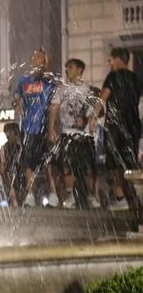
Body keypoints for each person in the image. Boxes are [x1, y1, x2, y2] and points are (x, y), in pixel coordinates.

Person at [48, 58, 101, 209]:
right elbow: (54, 108)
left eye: (70, 67)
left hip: (84, 135)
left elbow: (94, 112)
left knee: (87, 167)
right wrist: (51, 129)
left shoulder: (88, 90)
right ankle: (71, 196)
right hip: (67, 133)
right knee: (67, 167)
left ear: (79, 70)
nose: (67, 70)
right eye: (66, 68)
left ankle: (90, 195)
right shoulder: (62, 89)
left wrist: (85, 119)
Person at [15, 49, 59, 207]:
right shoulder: (24, 81)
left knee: (47, 163)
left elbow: (54, 105)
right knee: (29, 164)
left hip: (43, 128)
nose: (34, 58)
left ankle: (53, 194)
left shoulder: (49, 81)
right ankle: (30, 195)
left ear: (45, 61)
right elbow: (17, 98)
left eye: (38, 56)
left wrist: (51, 128)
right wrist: (17, 106)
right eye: (33, 56)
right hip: (27, 128)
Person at [101, 47, 141, 210]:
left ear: (118, 60)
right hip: (133, 126)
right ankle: (135, 197)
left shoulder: (113, 76)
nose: (109, 64)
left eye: (110, 60)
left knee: (115, 164)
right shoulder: (136, 78)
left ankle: (120, 198)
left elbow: (103, 97)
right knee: (130, 163)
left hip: (116, 126)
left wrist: (92, 115)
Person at [0, 122, 26, 207]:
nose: (7, 135)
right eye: (6, 132)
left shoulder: (23, 146)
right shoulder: (4, 148)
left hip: (22, 176)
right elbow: (3, 165)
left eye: (9, 132)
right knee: (13, 200)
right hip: (11, 176)